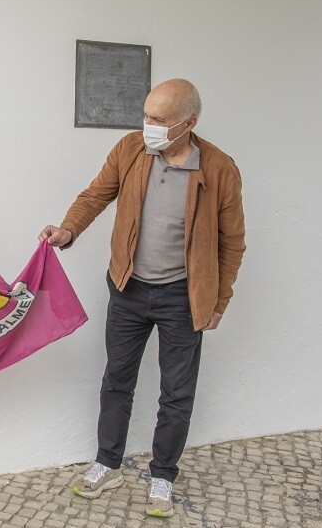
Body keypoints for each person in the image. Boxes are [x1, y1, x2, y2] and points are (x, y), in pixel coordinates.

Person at [38, 79, 245, 518]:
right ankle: (107, 462)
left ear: (189, 123)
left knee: (177, 393)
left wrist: (218, 301)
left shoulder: (220, 168)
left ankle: (163, 475)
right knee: (117, 379)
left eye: (158, 119)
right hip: (128, 287)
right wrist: (68, 230)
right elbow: (96, 194)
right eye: (146, 115)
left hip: (184, 298)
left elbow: (233, 243)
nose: (147, 125)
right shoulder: (131, 149)